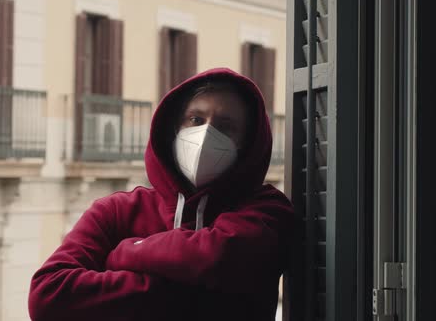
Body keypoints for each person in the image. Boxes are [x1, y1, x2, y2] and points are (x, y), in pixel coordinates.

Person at [28, 67, 294, 321]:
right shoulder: (116, 211)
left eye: (225, 126)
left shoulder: (268, 212)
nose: (206, 134)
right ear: (173, 129)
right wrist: (197, 291)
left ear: (247, 143)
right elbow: (48, 294)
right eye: (196, 120)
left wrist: (125, 253)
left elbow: (217, 256)